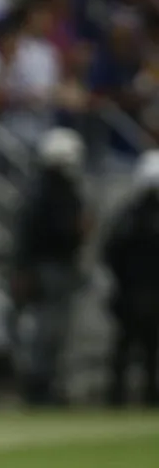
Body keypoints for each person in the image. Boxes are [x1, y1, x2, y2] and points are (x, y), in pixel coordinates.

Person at [9, 127, 89, 407]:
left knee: (49, 331)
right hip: (50, 269)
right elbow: (37, 234)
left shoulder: (42, 192)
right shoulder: (50, 195)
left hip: (50, 268)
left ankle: (43, 385)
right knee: (47, 331)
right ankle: (39, 388)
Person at [100, 150, 159, 407]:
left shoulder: (127, 215)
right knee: (148, 349)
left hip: (130, 289)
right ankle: (147, 397)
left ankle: (117, 398)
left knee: (126, 347)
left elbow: (110, 251)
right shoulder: (131, 216)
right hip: (146, 289)